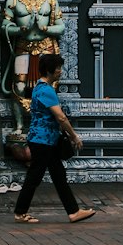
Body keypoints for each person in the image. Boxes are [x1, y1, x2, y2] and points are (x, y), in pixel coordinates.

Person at [13, 52, 95, 225]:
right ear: (49, 70)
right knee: (35, 176)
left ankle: (73, 211)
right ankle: (20, 212)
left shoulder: (38, 88)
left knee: (58, 175)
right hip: (43, 141)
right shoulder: (47, 90)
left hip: (44, 140)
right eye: (58, 68)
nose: (60, 71)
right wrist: (74, 136)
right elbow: (61, 117)